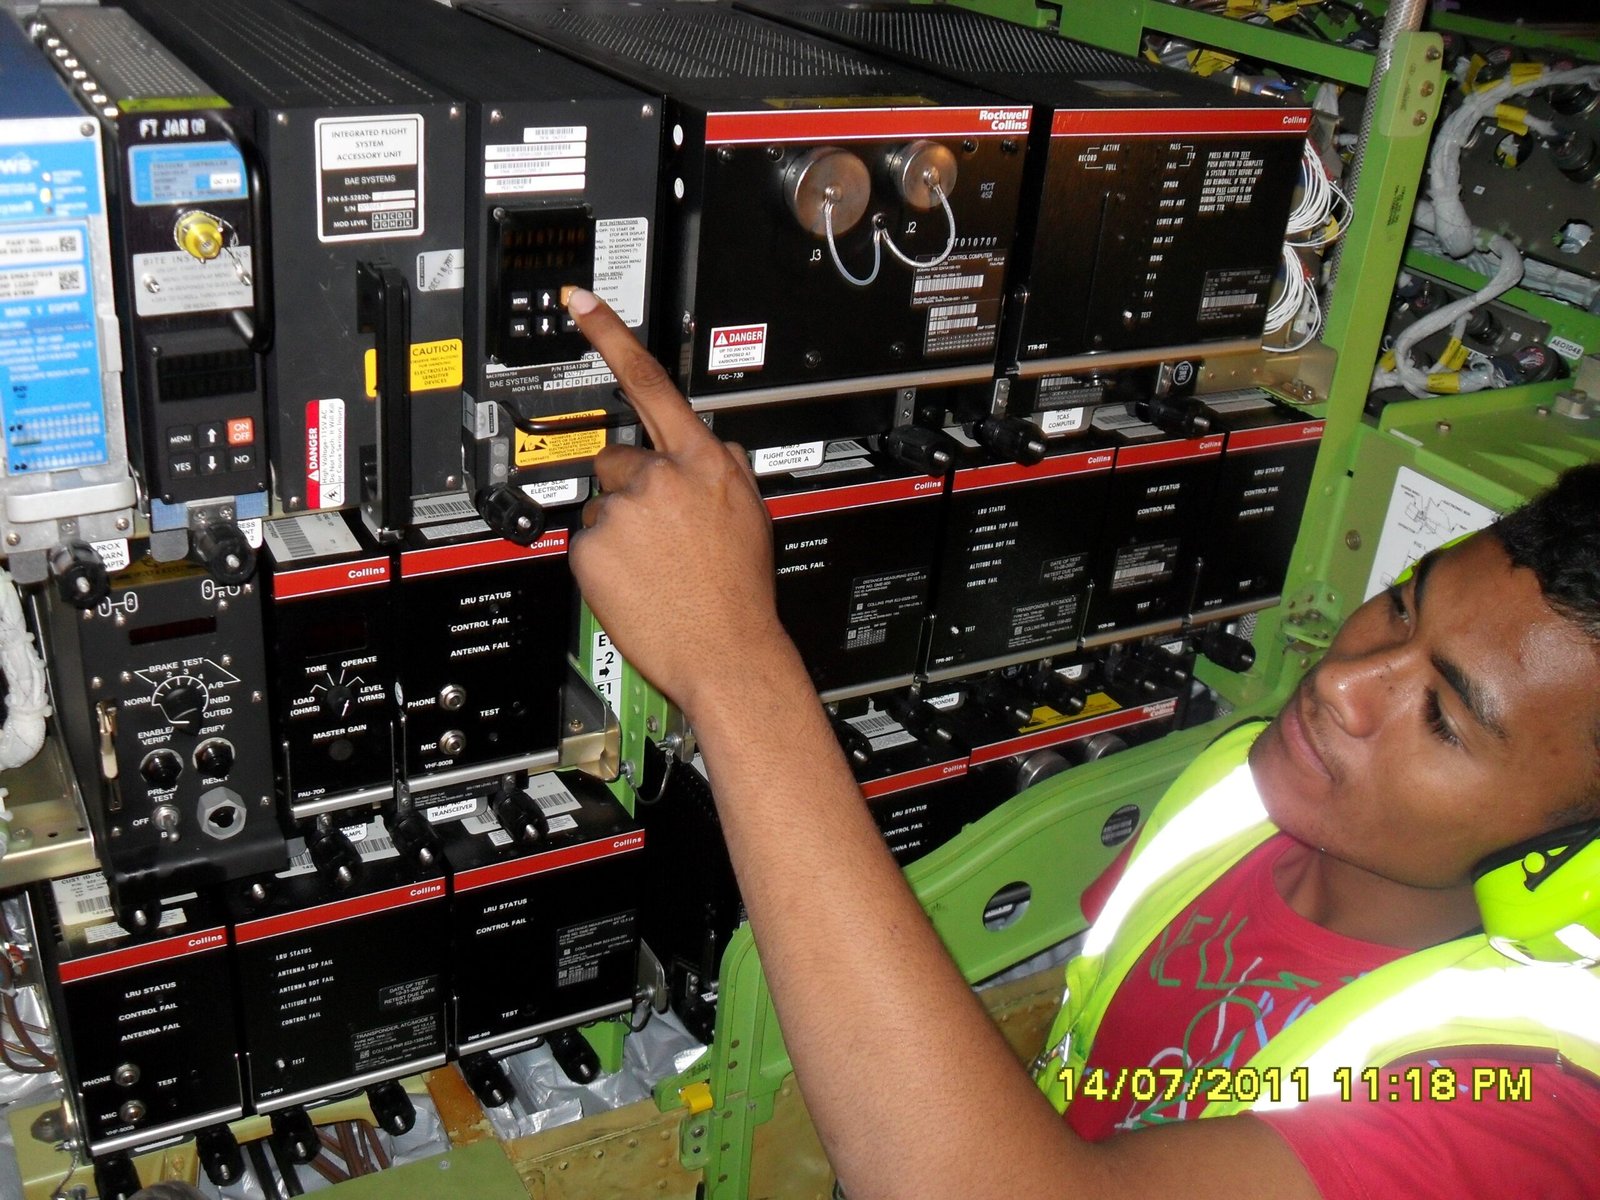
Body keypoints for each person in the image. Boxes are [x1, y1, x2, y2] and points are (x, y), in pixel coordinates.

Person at [562, 286, 1600, 1199]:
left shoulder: (1533, 1112)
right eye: (1403, 609)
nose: (1338, 683)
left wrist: (733, 661)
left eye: (1442, 718)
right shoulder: (1239, 803)